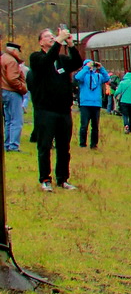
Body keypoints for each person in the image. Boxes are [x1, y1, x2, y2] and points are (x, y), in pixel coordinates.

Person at [27, 26, 84, 191]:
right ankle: (45, 179)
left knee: (63, 147)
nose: (51, 38)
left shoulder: (61, 59)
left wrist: (71, 45)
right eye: (47, 36)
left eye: (53, 36)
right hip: (45, 110)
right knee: (45, 146)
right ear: (40, 42)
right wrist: (58, 41)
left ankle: (63, 179)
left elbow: (77, 63)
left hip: (63, 110)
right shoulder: (36, 58)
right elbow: (46, 62)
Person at [73, 59, 111, 149]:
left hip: (96, 104)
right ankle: (82, 143)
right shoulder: (83, 76)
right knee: (84, 125)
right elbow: (77, 77)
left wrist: (101, 68)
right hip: (85, 104)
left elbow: (107, 79)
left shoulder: (98, 76)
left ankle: (94, 144)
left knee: (95, 126)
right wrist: (86, 67)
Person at [1, 41, 27, 152]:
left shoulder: (3, 58)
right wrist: (23, 87)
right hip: (12, 92)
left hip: (4, 91)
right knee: (16, 120)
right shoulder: (11, 61)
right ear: (14, 51)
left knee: (8, 120)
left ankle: (7, 144)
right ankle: (13, 146)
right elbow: (12, 79)